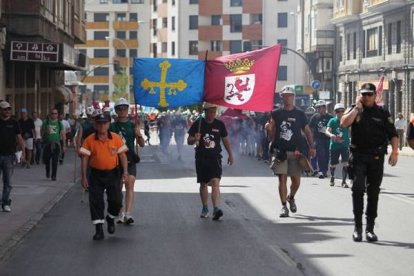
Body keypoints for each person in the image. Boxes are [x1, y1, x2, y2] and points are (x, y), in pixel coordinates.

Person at [341, 83, 398, 242]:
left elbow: (393, 134)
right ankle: (357, 228)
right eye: (363, 94)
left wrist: (394, 152)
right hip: (358, 156)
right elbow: (344, 123)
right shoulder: (354, 109)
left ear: (375, 96)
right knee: (358, 190)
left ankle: (370, 229)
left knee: (373, 192)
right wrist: (357, 109)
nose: (366, 97)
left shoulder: (382, 112)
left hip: (376, 158)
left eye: (369, 94)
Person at [267, 86, 316, 218]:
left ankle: (291, 197)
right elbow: (271, 129)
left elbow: (306, 130)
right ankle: (284, 206)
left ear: (293, 97)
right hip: (280, 151)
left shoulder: (300, 114)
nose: (287, 97)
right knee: (282, 178)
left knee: (296, 181)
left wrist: (312, 147)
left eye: (290, 95)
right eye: (285, 95)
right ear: (281, 97)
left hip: (295, 152)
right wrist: (268, 127)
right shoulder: (276, 113)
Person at [80, 113, 129, 240]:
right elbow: (85, 158)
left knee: (117, 200)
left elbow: (123, 155)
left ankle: (110, 217)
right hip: (96, 174)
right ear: (95, 125)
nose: (102, 126)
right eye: (99, 123)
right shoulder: (90, 139)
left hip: (113, 174)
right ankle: (99, 229)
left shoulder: (116, 138)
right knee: (96, 201)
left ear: (108, 124)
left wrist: (125, 172)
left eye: (104, 123)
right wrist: (84, 177)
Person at [187, 103, 234, 221]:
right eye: (210, 112)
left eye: (214, 112)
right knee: (203, 184)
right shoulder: (198, 124)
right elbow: (189, 140)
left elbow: (225, 139)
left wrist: (230, 154)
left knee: (215, 181)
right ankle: (205, 207)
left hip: (215, 158)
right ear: (205, 111)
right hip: (201, 158)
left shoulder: (219, 124)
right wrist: (195, 139)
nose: (212, 114)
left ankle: (216, 208)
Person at [110, 98, 145, 225]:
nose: (123, 111)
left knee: (130, 183)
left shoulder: (132, 125)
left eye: (125, 108)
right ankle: (120, 213)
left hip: (130, 158)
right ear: (117, 111)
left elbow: (141, 145)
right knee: (118, 186)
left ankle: (128, 214)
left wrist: (139, 134)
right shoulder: (112, 126)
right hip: (116, 159)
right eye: (120, 108)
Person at [0, 102, 25, 212]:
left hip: (9, 156)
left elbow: (19, 138)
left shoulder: (14, 122)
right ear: (0, 110)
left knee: (8, 182)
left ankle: (5, 202)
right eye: (5, 109)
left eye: (9, 109)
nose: (7, 111)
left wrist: (23, 153)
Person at [325, 103, 350, 188]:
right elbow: (327, 131)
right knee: (333, 164)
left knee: (345, 163)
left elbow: (352, 130)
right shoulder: (332, 121)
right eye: (338, 111)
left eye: (342, 111)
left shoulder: (347, 120)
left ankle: (344, 181)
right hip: (334, 146)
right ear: (335, 112)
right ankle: (332, 176)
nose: (340, 113)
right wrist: (331, 135)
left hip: (344, 145)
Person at [309, 100, 333, 179]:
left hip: (328, 139)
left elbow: (334, 127)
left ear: (324, 108)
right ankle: (321, 171)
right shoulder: (315, 117)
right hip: (319, 139)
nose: (318, 109)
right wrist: (311, 139)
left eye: (319, 107)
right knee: (321, 155)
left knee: (327, 156)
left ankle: (325, 170)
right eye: (317, 108)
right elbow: (310, 128)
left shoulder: (330, 117)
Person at [41, 109, 66, 181]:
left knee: (55, 161)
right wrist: (46, 130)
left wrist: (64, 145)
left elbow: (63, 134)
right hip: (47, 144)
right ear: (50, 114)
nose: (54, 115)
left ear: (57, 115)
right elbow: (41, 133)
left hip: (56, 144)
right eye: (52, 113)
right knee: (46, 159)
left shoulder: (59, 123)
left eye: (55, 113)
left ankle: (54, 175)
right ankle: (47, 170)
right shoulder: (46, 122)